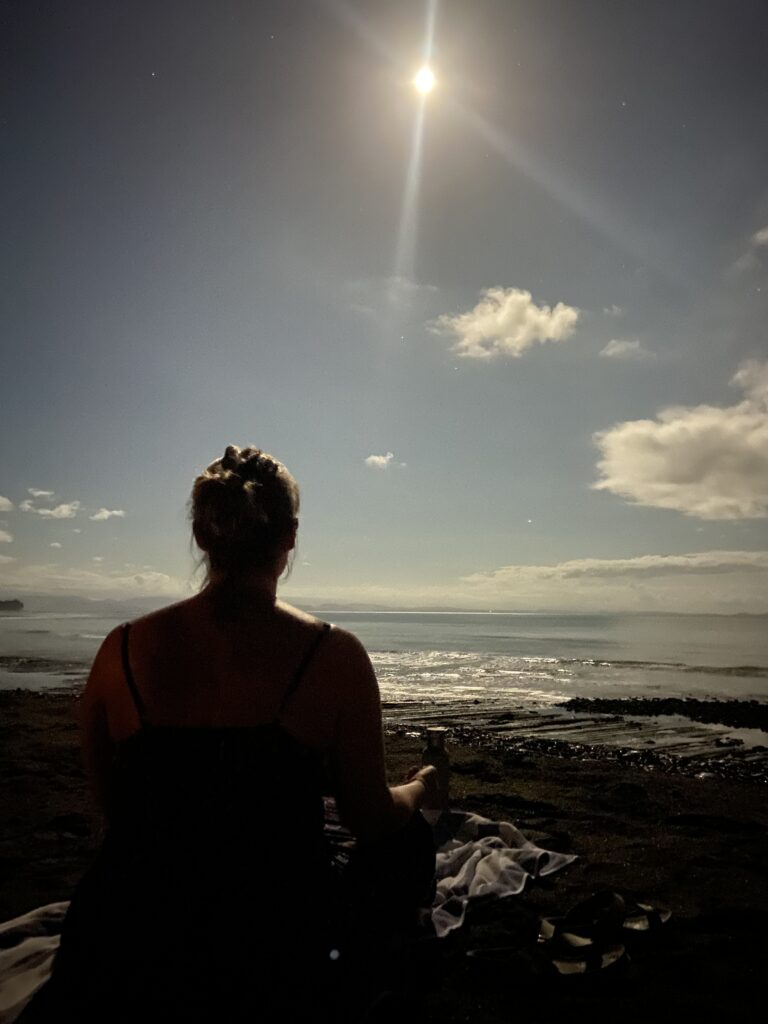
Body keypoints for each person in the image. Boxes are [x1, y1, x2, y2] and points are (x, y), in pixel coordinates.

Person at [20, 445, 441, 1023]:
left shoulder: (120, 650)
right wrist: (421, 787)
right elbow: (368, 816)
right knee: (408, 840)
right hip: (270, 943)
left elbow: (115, 814)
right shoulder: (333, 655)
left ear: (201, 535)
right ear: (290, 536)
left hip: (125, 936)